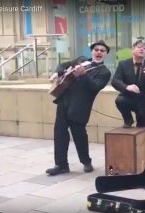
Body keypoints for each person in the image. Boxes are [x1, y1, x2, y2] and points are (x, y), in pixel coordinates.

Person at [46, 40, 112, 176]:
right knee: (60, 133)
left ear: (105, 54)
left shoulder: (104, 72)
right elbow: (64, 64)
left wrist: (83, 75)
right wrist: (57, 73)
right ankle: (61, 165)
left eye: (102, 50)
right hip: (64, 101)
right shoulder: (81, 60)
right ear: (92, 51)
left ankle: (86, 161)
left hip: (81, 107)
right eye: (96, 49)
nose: (99, 52)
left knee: (79, 135)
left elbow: (94, 87)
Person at [111, 38, 145, 128]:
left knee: (143, 129)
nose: (142, 49)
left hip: (143, 101)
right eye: (139, 47)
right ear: (132, 50)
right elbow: (115, 81)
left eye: (144, 48)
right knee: (119, 100)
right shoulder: (123, 64)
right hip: (127, 98)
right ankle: (128, 120)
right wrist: (127, 87)